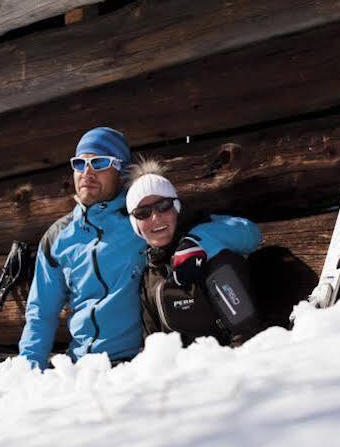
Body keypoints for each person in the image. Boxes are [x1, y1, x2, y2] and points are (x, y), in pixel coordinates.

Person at [18, 128, 260, 369]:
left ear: (121, 170)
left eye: (99, 163)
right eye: (79, 164)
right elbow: (41, 311)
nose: (87, 172)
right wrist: (29, 367)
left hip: (134, 365)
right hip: (80, 366)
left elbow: (247, 232)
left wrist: (196, 242)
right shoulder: (58, 237)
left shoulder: (144, 216)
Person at [127, 160, 264, 346]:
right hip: (187, 362)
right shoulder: (150, 276)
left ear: (176, 208)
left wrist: (199, 241)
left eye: (163, 205)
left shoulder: (206, 236)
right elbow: (153, 346)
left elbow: (252, 234)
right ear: (136, 225)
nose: (155, 217)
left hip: (237, 355)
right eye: (143, 212)